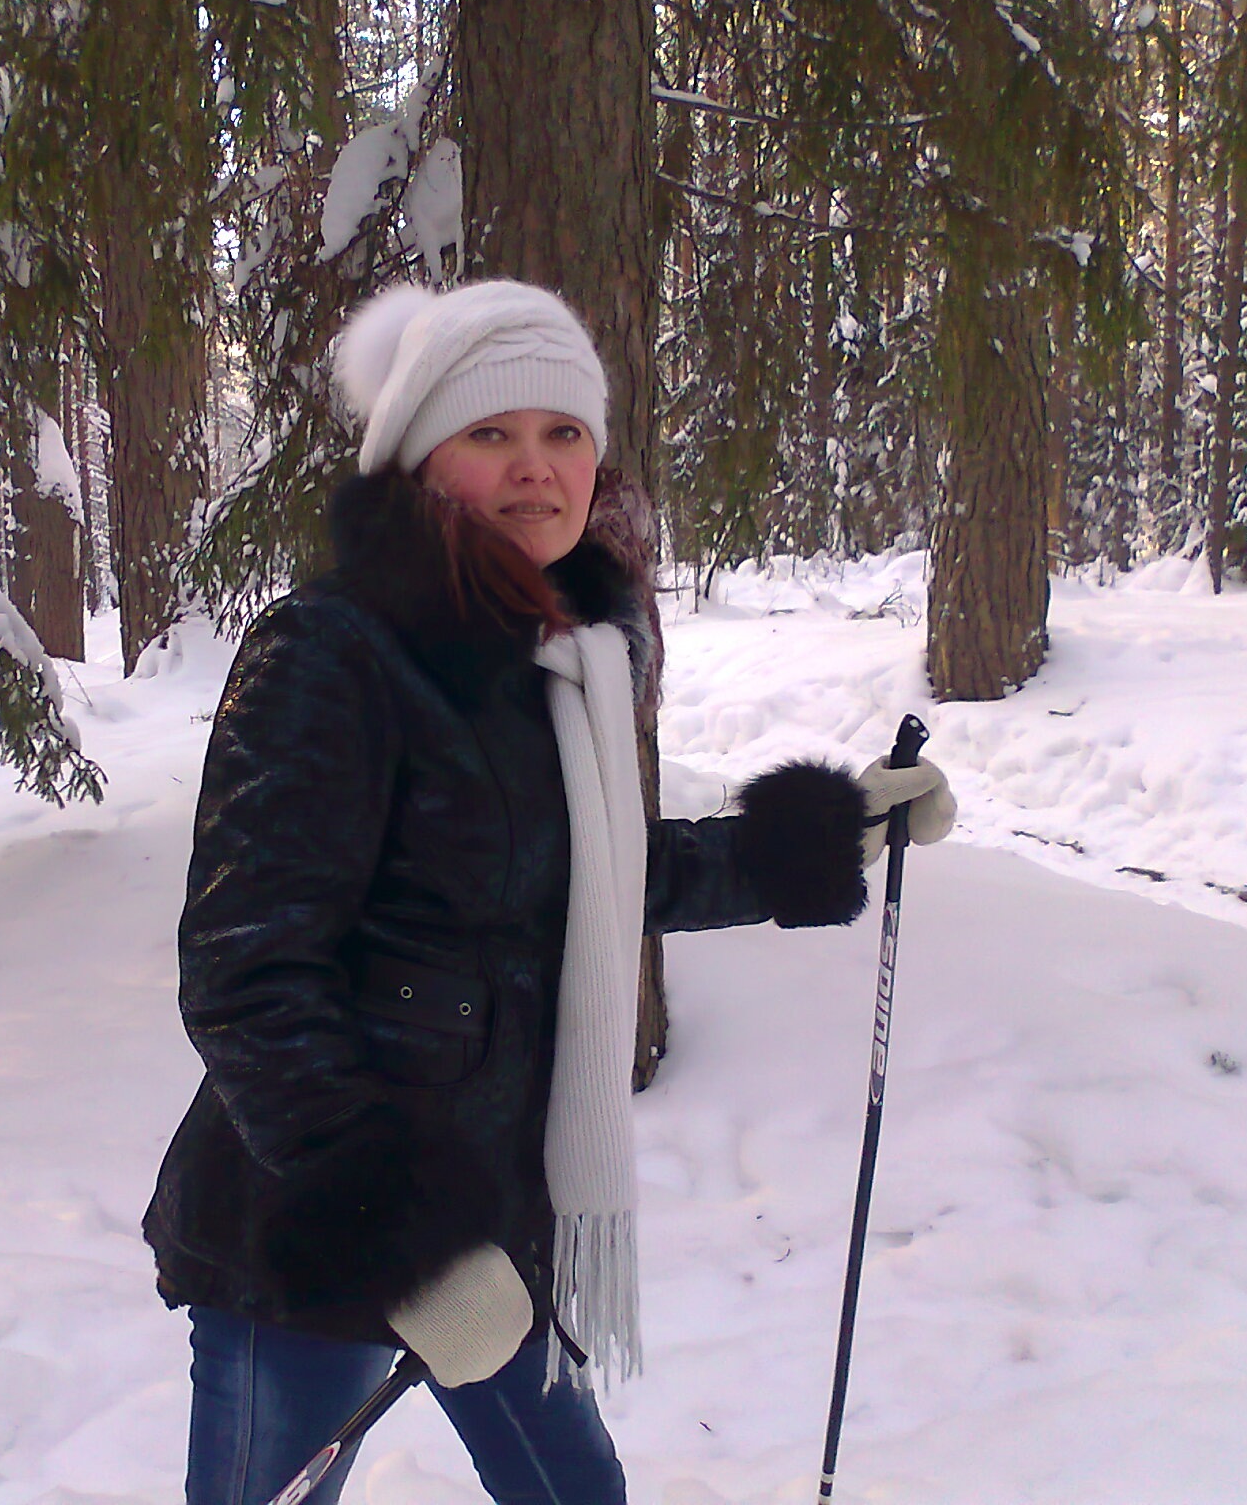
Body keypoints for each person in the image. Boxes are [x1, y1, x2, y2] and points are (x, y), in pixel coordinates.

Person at [141, 279, 957, 1505]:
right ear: (420, 460)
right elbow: (244, 971)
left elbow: (600, 875)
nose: (535, 467)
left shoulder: (556, 662)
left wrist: (826, 835)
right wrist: (398, 1236)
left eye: (562, 432)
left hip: (498, 1212)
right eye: (490, 432)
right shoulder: (330, 649)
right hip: (325, 1227)